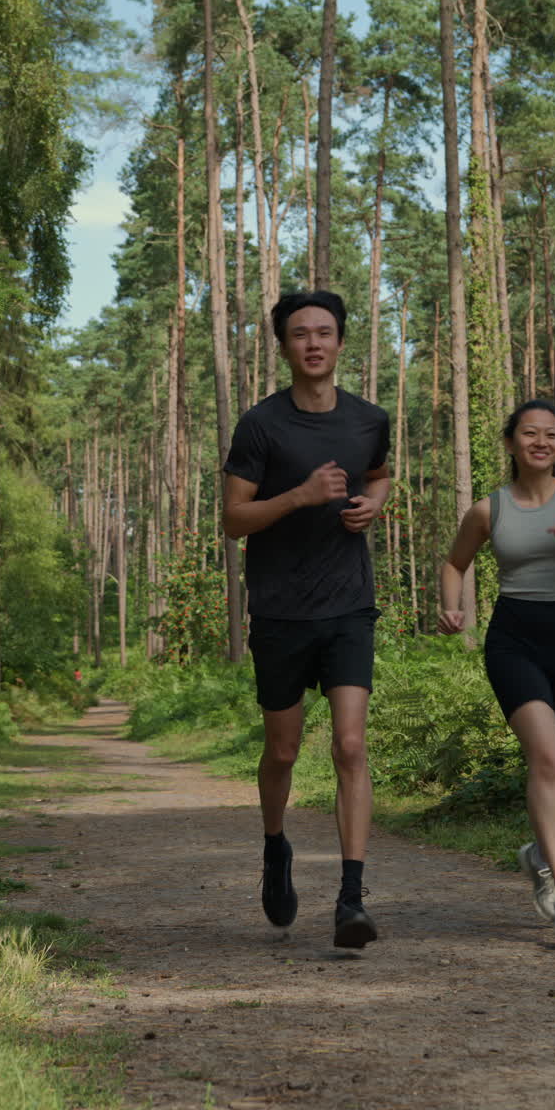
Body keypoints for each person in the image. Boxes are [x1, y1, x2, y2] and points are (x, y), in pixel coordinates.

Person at [223, 290, 390, 948]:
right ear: (284, 346)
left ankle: (351, 899)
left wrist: (373, 505)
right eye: (300, 334)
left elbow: (379, 473)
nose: (314, 343)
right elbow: (234, 520)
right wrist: (298, 495)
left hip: (349, 603)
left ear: (341, 342)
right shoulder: (260, 425)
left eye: (324, 332)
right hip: (280, 611)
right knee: (284, 750)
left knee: (350, 745)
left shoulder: (369, 418)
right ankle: (275, 847)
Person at [439, 399, 555, 938]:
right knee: (547, 758)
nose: (540, 442)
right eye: (529, 433)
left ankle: (541, 856)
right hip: (516, 641)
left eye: (551, 434)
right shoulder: (489, 510)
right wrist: (451, 606)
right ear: (510, 443)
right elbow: (455, 563)